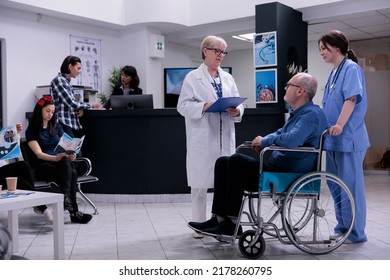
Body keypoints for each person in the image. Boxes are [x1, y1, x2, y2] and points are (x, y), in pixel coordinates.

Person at [188, 72, 328, 237]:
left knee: (237, 161)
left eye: (289, 85)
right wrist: (263, 141)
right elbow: (280, 133)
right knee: (223, 162)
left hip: (290, 175)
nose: (285, 88)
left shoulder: (311, 115)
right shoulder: (297, 113)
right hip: (279, 170)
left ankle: (232, 223)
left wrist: (265, 142)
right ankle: (219, 219)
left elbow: (290, 140)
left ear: (300, 91)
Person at [177, 35, 244, 238]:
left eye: (224, 52)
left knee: (225, 181)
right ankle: (198, 225)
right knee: (199, 184)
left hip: (225, 136)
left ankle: (222, 222)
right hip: (203, 138)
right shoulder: (192, 78)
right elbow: (182, 106)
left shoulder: (228, 78)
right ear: (205, 51)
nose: (221, 56)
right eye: (217, 51)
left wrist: (237, 110)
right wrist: (204, 106)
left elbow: (239, 102)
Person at [318, 30, 370, 243]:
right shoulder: (334, 72)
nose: (321, 52)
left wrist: (339, 124)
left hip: (348, 138)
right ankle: (343, 227)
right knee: (336, 185)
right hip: (333, 140)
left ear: (336, 47)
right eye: (320, 49)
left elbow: (351, 98)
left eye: (324, 48)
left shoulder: (351, 68)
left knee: (351, 186)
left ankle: (356, 233)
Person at [25, 95, 93, 224]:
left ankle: (67, 200)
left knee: (69, 165)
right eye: (47, 111)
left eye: (52, 111)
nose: (50, 114)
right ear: (40, 111)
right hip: (43, 165)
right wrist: (56, 158)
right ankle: (73, 211)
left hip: (60, 164)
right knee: (70, 171)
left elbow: (66, 144)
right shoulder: (31, 131)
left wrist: (70, 153)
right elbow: (39, 154)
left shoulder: (56, 127)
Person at [0, 124, 53, 224]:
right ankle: (40, 206)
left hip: (3, 169)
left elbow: (8, 147)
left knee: (23, 167)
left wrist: (16, 134)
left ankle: (41, 207)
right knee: (21, 176)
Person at [50, 55, 104, 138]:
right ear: (70, 67)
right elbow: (71, 102)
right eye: (78, 68)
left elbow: (72, 103)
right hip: (63, 123)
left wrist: (80, 108)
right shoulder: (59, 81)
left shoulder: (66, 82)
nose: (79, 71)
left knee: (74, 149)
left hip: (69, 122)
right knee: (72, 150)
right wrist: (92, 106)